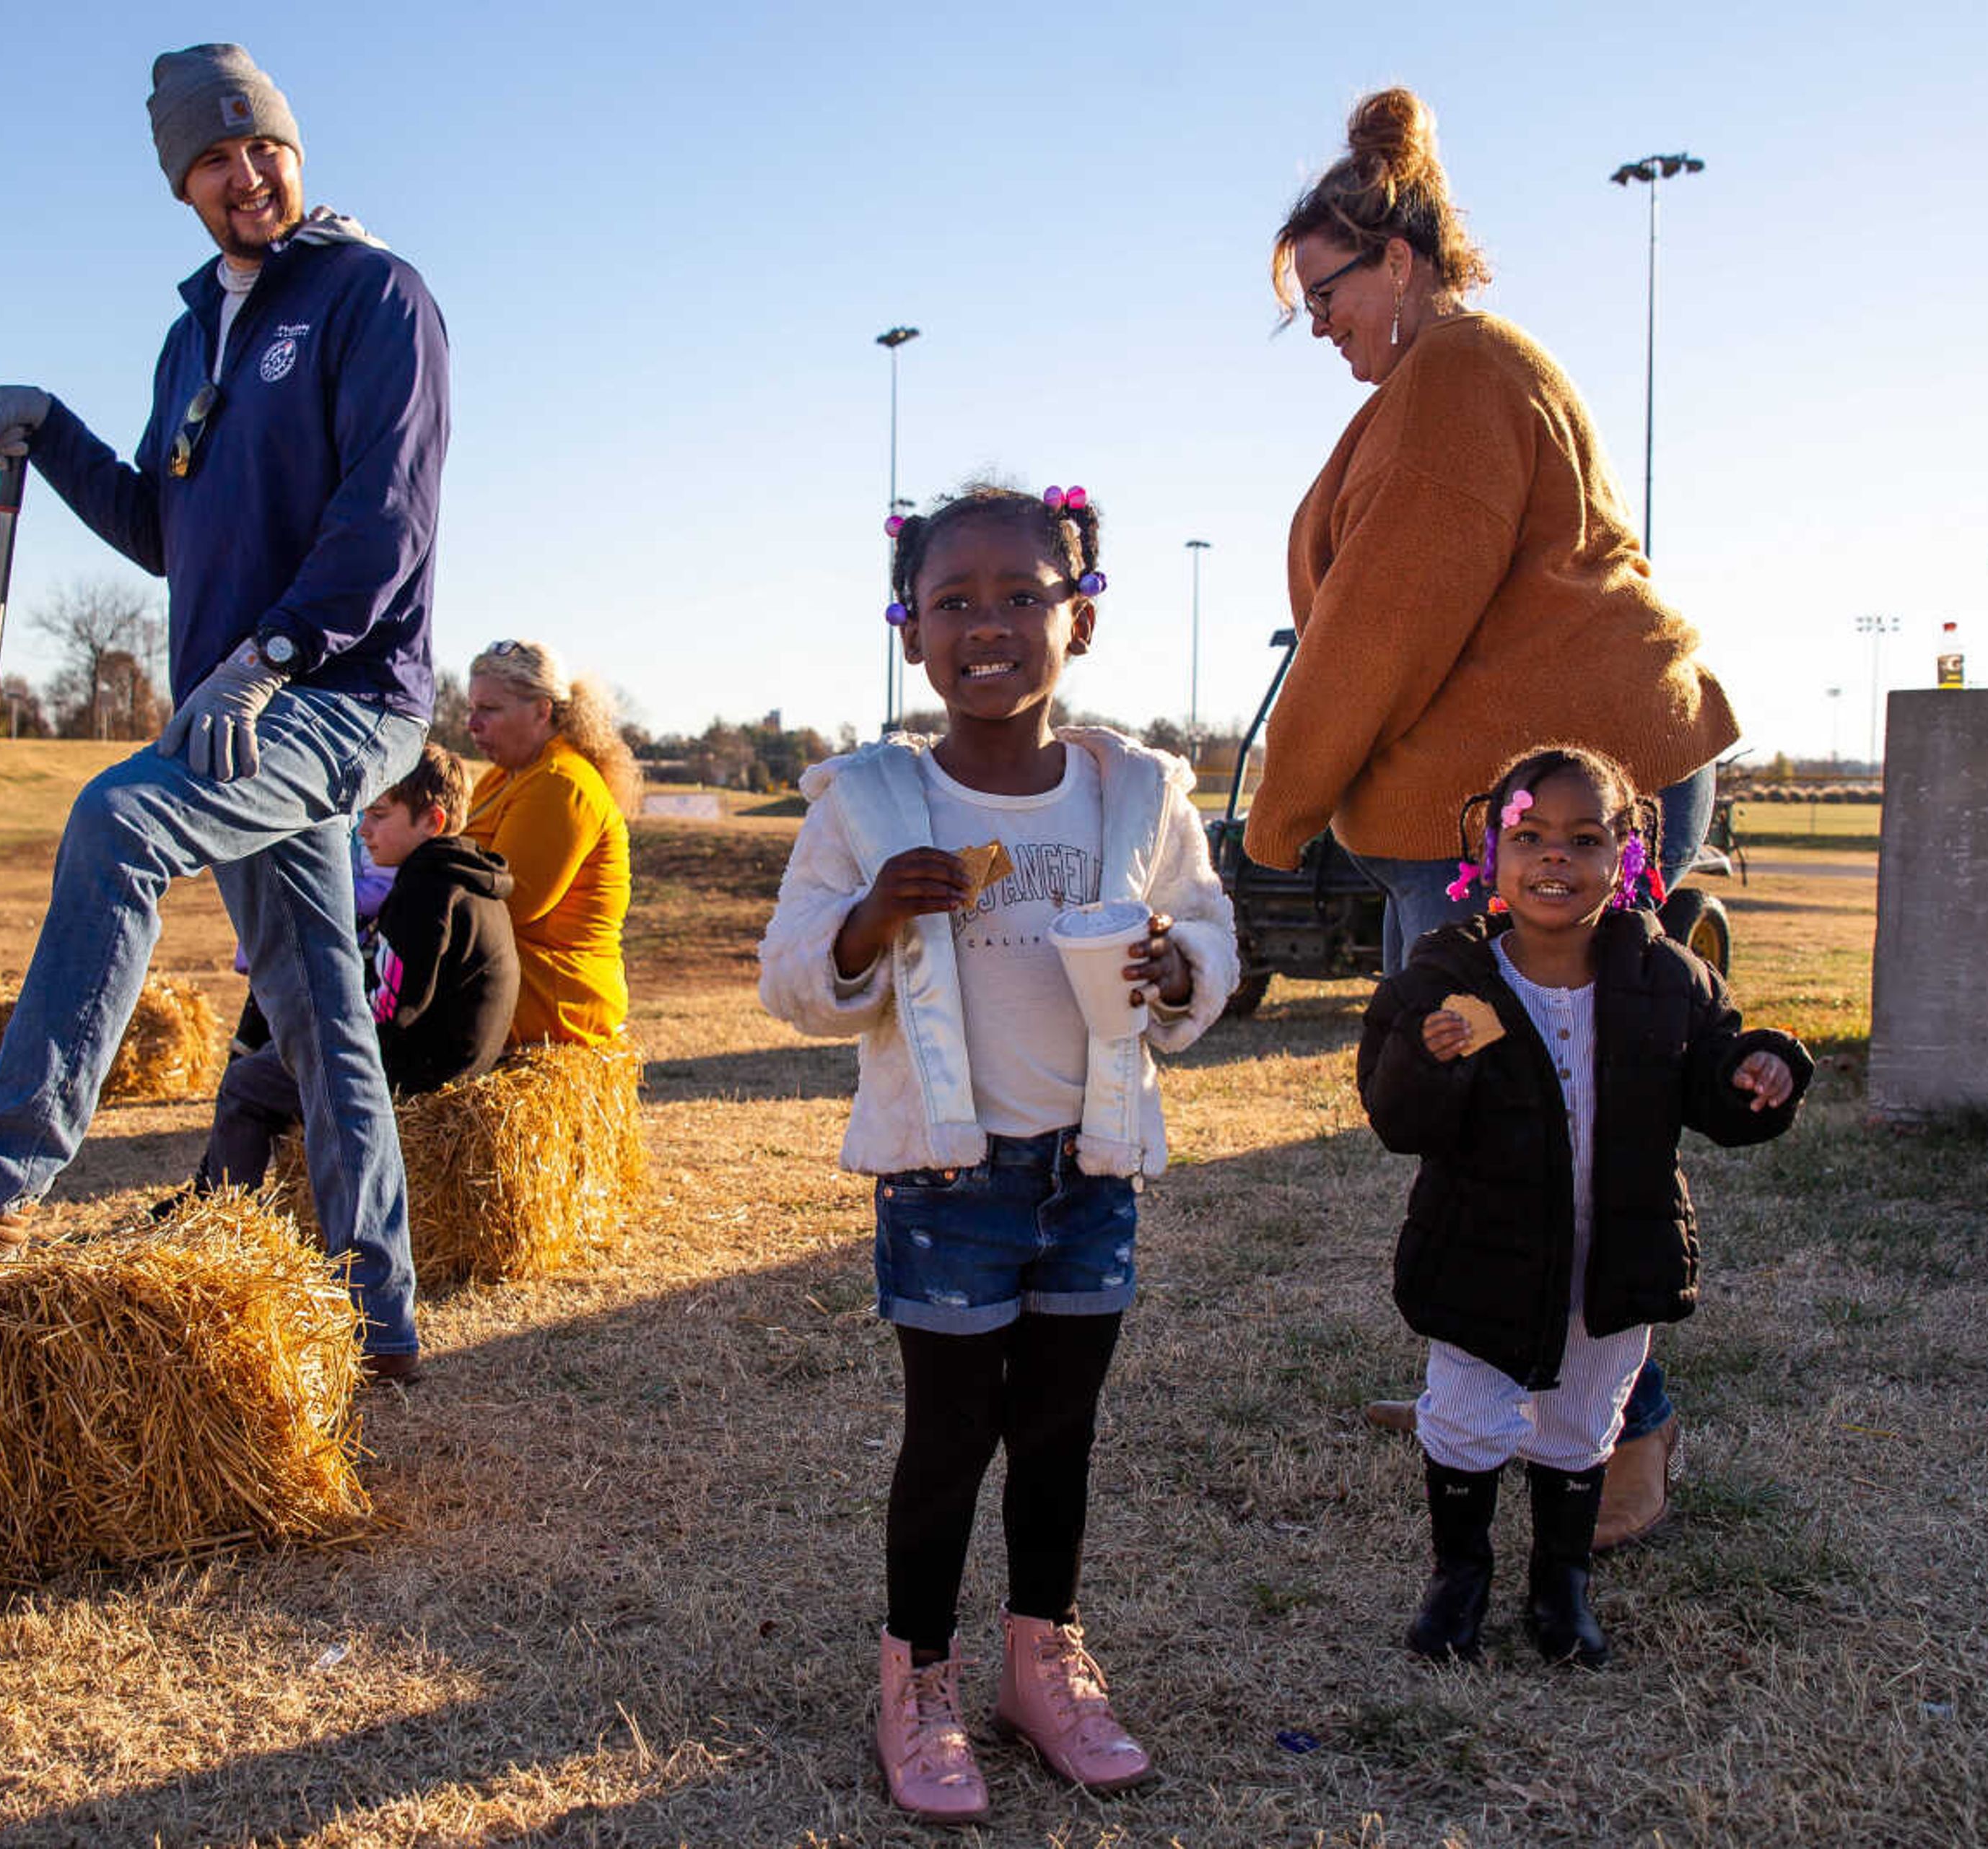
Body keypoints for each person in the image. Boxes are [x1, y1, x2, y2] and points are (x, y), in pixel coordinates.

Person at [0, 44, 448, 1385]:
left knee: (121, 817)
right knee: (319, 1017)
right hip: (234, 707)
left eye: (261, 146)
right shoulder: (189, 332)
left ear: (295, 151)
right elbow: (164, 522)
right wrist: (55, 429)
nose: (245, 173)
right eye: (214, 159)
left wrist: (269, 654)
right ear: (182, 186)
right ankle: (378, 1318)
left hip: (336, 692)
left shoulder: (375, 294)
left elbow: (388, 518)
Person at [1252, 88, 1745, 1538]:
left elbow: (1380, 626)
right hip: (1502, 792)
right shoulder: (1440, 375)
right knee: (1498, 1121)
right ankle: (1509, 1391)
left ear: (1397, 261)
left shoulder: (1457, 375)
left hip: (1547, 803)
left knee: (1560, 1125)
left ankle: (1621, 1441)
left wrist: (1273, 817)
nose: (1320, 324)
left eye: (1325, 291)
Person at [757, 484, 1237, 1824]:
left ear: (1077, 616)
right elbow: (790, 973)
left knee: (1062, 1428)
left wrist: (1176, 963)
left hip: (1093, 1167)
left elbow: (1209, 926)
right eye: (954, 599)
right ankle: (915, 1679)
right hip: (948, 1176)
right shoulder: (871, 798)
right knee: (954, 1431)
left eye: (1022, 594)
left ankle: (1043, 1662)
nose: (989, 624)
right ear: (911, 630)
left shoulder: (1136, 791)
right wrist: (864, 922)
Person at [1358, 745, 1810, 1669]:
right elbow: (1397, 1116)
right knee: (1468, 1412)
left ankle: (1561, 1584)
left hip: (1617, 1251)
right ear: (1491, 854)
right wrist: (1430, 1059)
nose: (1553, 858)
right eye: (1528, 836)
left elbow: (1715, 1086)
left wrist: (1761, 1067)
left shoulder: (1667, 978)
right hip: (1483, 1249)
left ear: (1627, 854)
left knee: (1582, 1418)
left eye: (1583, 838)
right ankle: (1461, 1578)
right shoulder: (1446, 978)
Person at [193, 741, 515, 1190]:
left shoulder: (425, 894)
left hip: (422, 1071)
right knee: (283, 1047)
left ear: (432, 821)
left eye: (379, 815)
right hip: (450, 1060)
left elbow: (391, 1010)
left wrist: (317, 1019)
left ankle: (220, 1210)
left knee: (248, 1083)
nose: (363, 830)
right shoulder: (464, 878)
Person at [458, 639, 635, 1047]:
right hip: (506, 979)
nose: (472, 724)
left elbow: (503, 908)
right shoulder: (503, 776)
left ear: (543, 710)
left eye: (489, 709)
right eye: (471, 708)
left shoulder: (561, 783)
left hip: (551, 1000)